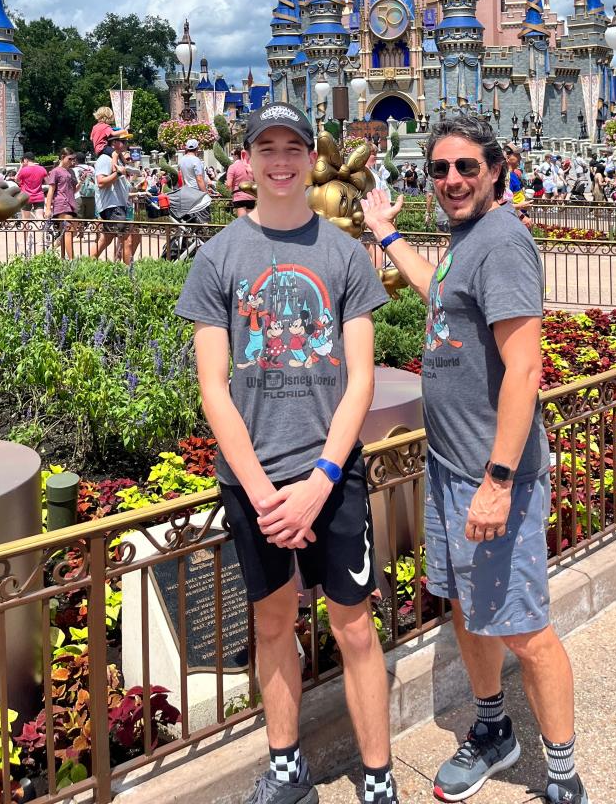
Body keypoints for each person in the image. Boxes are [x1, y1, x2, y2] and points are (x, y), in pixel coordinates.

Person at [361, 112, 588, 804]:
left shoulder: (505, 242)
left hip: (496, 478)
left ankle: (563, 777)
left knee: (524, 628)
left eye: (466, 168)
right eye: (439, 169)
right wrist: (387, 235)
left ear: (496, 169)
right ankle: (493, 731)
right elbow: (442, 296)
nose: (452, 180)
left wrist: (497, 480)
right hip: (451, 467)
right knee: (464, 606)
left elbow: (524, 370)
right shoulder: (466, 239)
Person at [174, 103, 395, 804]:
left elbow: (359, 377)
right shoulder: (220, 256)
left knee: (353, 627)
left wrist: (321, 479)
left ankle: (379, 776)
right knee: (273, 623)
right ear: (249, 158)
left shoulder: (341, 254)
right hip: (254, 483)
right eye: (266, 148)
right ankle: (284, 764)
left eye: (291, 148)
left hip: (331, 476)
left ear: (309, 157)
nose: (280, 161)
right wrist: (266, 493)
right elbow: (214, 388)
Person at [92, 142, 140, 264]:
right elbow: (101, 182)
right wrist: (118, 173)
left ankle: (87, 265)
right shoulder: (104, 159)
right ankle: (128, 274)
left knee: (106, 239)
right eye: (123, 141)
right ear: (113, 143)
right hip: (113, 206)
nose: (126, 143)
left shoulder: (116, 159)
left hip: (118, 205)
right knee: (127, 239)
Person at [44, 148, 79, 258]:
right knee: (69, 231)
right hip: (62, 203)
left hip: (70, 203)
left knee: (70, 232)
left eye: (73, 159)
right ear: (63, 157)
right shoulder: (56, 171)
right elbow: (51, 190)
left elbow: (73, 190)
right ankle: (72, 260)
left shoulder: (70, 171)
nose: (72, 161)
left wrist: (82, 181)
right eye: (70, 158)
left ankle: (58, 254)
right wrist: (48, 209)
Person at [226, 145, 256, 217]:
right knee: (250, 222)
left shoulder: (233, 167)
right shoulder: (250, 166)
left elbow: (229, 184)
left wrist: (228, 187)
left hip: (239, 196)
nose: (232, 156)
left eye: (232, 154)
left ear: (236, 156)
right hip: (251, 196)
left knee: (243, 222)